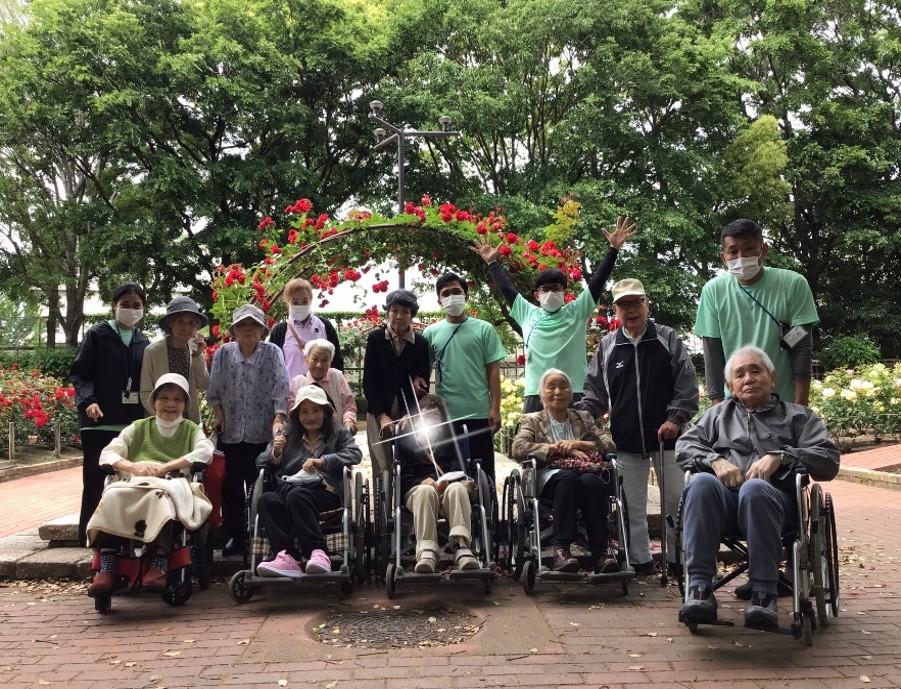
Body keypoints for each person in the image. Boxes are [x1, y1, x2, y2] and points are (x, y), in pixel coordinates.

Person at [676, 345, 839, 629]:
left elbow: (828, 458)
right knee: (701, 483)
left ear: (772, 378)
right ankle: (700, 589)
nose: (748, 378)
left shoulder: (798, 417)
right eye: (739, 374)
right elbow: (684, 445)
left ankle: (764, 592)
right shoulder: (717, 416)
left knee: (754, 490)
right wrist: (715, 460)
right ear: (730, 386)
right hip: (725, 506)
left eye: (755, 370)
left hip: (778, 506)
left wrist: (782, 455)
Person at [577, 278, 698, 576]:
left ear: (647, 304)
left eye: (636, 302)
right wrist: (580, 421)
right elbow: (594, 393)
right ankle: (640, 561)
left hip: (668, 437)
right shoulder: (607, 346)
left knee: (675, 502)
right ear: (615, 310)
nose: (631, 310)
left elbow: (687, 385)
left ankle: (677, 561)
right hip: (626, 437)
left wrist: (675, 418)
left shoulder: (668, 339)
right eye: (624, 304)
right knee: (633, 505)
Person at [476, 217, 636, 412]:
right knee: (535, 443)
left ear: (565, 293)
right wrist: (492, 263)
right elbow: (507, 289)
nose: (551, 293)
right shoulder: (527, 313)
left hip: (574, 392)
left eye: (557, 288)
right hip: (536, 395)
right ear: (536, 295)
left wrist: (613, 250)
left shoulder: (577, 311)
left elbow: (598, 281)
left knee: (576, 443)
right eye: (545, 289)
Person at [86, 373, 213, 596]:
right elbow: (108, 453)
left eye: (177, 399)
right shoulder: (138, 427)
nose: (170, 404)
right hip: (136, 479)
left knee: (161, 497)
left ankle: (160, 563)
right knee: (112, 495)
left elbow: (204, 452)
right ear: (153, 402)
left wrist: (166, 467)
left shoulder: (192, 429)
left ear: (185, 404)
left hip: (171, 480)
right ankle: (107, 566)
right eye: (164, 397)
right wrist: (132, 467)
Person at [695, 218, 819, 406]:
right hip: (735, 407)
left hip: (783, 405)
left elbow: (802, 349)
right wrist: (718, 412)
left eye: (748, 248)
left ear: (764, 250)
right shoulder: (713, 291)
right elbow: (713, 355)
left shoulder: (793, 284)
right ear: (723, 257)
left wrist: (800, 410)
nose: (741, 257)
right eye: (733, 251)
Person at [511, 369, 619, 574]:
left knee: (592, 482)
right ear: (542, 394)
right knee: (567, 478)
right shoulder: (531, 420)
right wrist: (554, 448)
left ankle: (600, 552)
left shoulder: (585, 418)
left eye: (563, 386)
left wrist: (579, 444)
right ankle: (562, 550)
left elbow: (609, 445)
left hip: (584, 475)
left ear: (571, 393)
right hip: (548, 479)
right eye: (551, 387)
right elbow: (518, 449)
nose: (558, 391)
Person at [71, 281, 150, 546]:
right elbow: (80, 373)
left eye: (136, 305)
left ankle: (120, 539)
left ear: (144, 309)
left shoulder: (143, 340)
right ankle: (90, 538)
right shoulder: (98, 334)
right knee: (94, 481)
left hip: (130, 424)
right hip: (98, 422)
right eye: (125, 305)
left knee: (126, 482)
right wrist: (88, 401)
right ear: (114, 306)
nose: (130, 310)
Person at [207, 304, 290, 556]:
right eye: (242, 325)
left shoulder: (272, 352)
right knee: (231, 487)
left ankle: (262, 533)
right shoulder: (223, 353)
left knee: (261, 485)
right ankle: (236, 535)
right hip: (232, 433)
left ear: (261, 329)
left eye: (253, 325)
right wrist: (219, 415)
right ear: (234, 329)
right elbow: (215, 392)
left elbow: (281, 388)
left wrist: (278, 419)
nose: (247, 330)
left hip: (261, 432)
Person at [255, 385, 362, 576]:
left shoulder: (338, 433)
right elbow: (260, 463)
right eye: (304, 412)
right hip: (289, 490)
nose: (310, 416)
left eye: (316, 410)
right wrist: (276, 452)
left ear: (325, 412)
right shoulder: (287, 435)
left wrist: (323, 461)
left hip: (325, 492)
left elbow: (354, 454)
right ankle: (288, 556)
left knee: (297, 496)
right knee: (267, 500)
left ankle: (317, 551)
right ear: (297, 415)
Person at [423, 272, 506, 482]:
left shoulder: (484, 329)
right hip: (445, 416)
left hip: (479, 412)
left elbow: (493, 370)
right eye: (446, 293)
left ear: (466, 296)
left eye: (456, 292)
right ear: (439, 300)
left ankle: (488, 514)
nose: (452, 297)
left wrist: (495, 408)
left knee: (483, 472)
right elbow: (424, 371)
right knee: (450, 472)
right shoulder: (431, 333)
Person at [396, 394, 479, 573]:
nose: (430, 421)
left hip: (448, 486)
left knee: (457, 488)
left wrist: (448, 480)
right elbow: (402, 476)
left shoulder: (451, 440)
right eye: (425, 417)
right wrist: (421, 481)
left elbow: (460, 466)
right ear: (416, 419)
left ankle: (462, 547)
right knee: (426, 491)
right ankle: (427, 551)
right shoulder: (405, 443)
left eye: (435, 417)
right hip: (418, 490)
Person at [362, 289, 430, 474]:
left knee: (408, 462)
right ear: (388, 312)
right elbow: (368, 381)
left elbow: (424, 383)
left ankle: (404, 500)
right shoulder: (376, 339)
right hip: (378, 410)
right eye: (394, 310)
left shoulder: (421, 344)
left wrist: (412, 412)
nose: (399, 316)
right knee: (382, 467)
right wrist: (381, 415)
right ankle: (383, 501)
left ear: (412, 315)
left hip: (408, 411)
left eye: (405, 312)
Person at [140, 296, 209, 423]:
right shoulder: (152, 351)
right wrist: (164, 416)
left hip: (188, 423)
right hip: (159, 421)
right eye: (180, 321)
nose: (186, 327)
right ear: (170, 322)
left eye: (191, 322)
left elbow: (203, 384)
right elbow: (145, 392)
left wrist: (198, 356)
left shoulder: (194, 350)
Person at [268, 278, 344, 378]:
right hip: (291, 392)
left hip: (321, 392)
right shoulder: (279, 331)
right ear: (287, 303)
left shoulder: (325, 326)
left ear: (311, 300)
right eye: (295, 302)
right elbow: (271, 365)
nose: (300, 305)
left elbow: (337, 361)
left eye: (305, 301)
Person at [288, 339, 358, 434]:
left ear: (331, 361)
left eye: (325, 360)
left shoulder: (337, 377)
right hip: (308, 438)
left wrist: (348, 422)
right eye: (315, 359)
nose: (319, 365)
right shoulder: (297, 383)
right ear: (306, 359)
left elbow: (349, 405)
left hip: (336, 435)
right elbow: (292, 413)